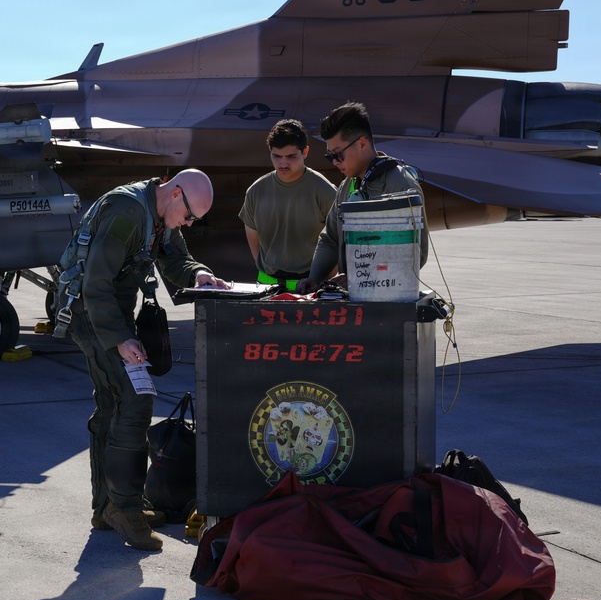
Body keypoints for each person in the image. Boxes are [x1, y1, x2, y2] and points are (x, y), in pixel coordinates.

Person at [57, 169, 229, 551]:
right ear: (176, 194)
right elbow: (95, 284)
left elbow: (177, 260)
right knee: (135, 398)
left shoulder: (161, 214)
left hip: (112, 312)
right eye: (189, 216)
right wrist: (120, 339)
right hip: (90, 312)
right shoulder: (127, 212)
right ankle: (125, 510)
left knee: (112, 405)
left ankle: (106, 507)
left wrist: (200, 274)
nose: (188, 223)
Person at [297, 102, 428, 294]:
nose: (335, 162)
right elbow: (330, 239)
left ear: (362, 144)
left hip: (388, 299)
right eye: (330, 156)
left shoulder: (401, 186)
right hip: (354, 298)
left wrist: (361, 277)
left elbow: (416, 255)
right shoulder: (347, 186)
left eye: (338, 154)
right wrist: (314, 278)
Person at [239, 119, 336, 290]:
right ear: (270, 151)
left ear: (305, 152)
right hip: (266, 287)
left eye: (291, 156)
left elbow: (337, 243)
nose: (283, 163)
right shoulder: (256, 191)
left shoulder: (325, 191)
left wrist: (320, 283)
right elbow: (254, 241)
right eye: (277, 156)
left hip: (309, 288)